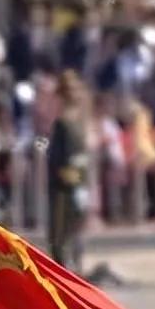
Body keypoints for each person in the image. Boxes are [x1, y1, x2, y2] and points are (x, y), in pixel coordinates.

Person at [47, 71, 90, 273]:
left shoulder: (80, 120)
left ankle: (77, 269)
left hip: (81, 180)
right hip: (65, 187)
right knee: (61, 234)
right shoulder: (62, 123)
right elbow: (59, 160)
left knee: (77, 231)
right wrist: (72, 186)